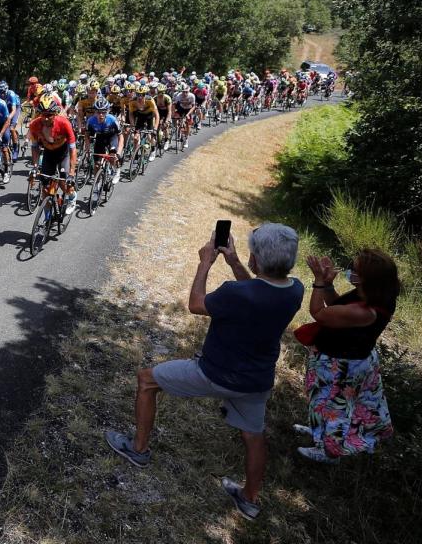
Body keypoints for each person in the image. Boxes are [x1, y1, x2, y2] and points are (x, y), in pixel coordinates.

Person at [104, 223, 305, 521]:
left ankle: (139, 450)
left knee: (147, 380)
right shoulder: (294, 290)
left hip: (215, 373)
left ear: (257, 259)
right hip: (256, 380)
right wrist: (234, 261)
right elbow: (260, 289)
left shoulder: (235, 292)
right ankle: (249, 499)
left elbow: (196, 304)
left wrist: (205, 263)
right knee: (254, 435)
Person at [298, 249, 397, 463]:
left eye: (356, 269)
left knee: (336, 408)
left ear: (368, 279)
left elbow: (319, 313)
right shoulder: (371, 294)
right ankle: (320, 434)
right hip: (344, 360)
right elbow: (337, 307)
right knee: (324, 402)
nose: (350, 270)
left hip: (343, 366)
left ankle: (329, 452)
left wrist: (317, 281)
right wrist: (327, 285)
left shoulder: (367, 311)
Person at [29, 95, 78, 214]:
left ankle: (72, 197)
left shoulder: (64, 123)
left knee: (63, 182)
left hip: (63, 153)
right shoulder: (34, 125)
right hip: (48, 154)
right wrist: (35, 166)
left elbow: (73, 149)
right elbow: (35, 147)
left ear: (55, 114)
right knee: (45, 189)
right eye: (43, 114)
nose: (45, 118)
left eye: (49, 115)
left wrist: (71, 173)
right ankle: (47, 218)